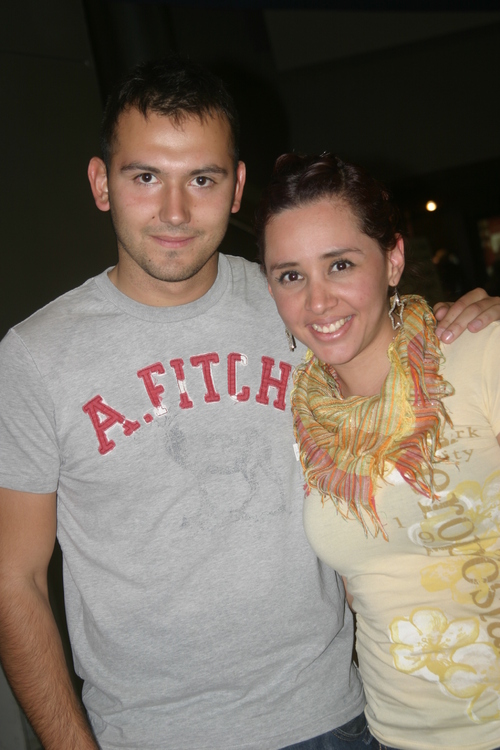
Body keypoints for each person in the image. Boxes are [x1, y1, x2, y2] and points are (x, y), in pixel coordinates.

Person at [0, 58, 497, 750]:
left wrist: (476, 316)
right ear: (101, 183)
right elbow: (13, 577)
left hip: (340, 718)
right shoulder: (34, 357)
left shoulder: (291, 300)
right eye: (146, 177)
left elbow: (393, 335)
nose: (175, 211)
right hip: (150, 736)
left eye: (202, 179)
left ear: (236, 187)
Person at [257, 152, 500, 750]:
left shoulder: (480, 354)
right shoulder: (307, 420)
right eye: (290, 276)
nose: (317, 302)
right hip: (396, 735)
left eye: (340, 264)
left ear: (392, 259)